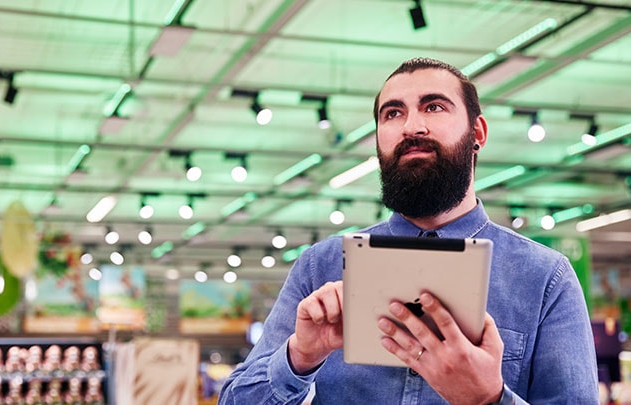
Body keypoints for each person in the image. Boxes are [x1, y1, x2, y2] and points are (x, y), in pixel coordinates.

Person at [218, 57, 598, 404]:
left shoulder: (545, 278)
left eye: (434, 106)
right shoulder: (322, 266)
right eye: (392, 113)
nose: (412, 126)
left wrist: (489, 399)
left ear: (478, 132)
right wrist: (299, 356)